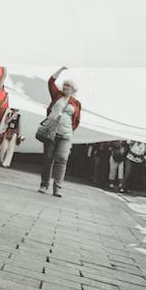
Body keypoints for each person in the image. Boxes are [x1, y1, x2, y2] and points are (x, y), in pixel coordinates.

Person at [39, 66, 82, 197]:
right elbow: (50, 82)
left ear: (73, 89)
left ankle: (57, 188)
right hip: (51, 132)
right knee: (48, 159)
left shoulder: (76, 103)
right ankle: (44, 185)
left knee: (62, 160)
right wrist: (61, 70)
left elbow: (76, 120)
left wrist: (69, 130)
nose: (65, 87)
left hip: (66, 135)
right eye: (64, 85)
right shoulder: (57, 95)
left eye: (68, 86)